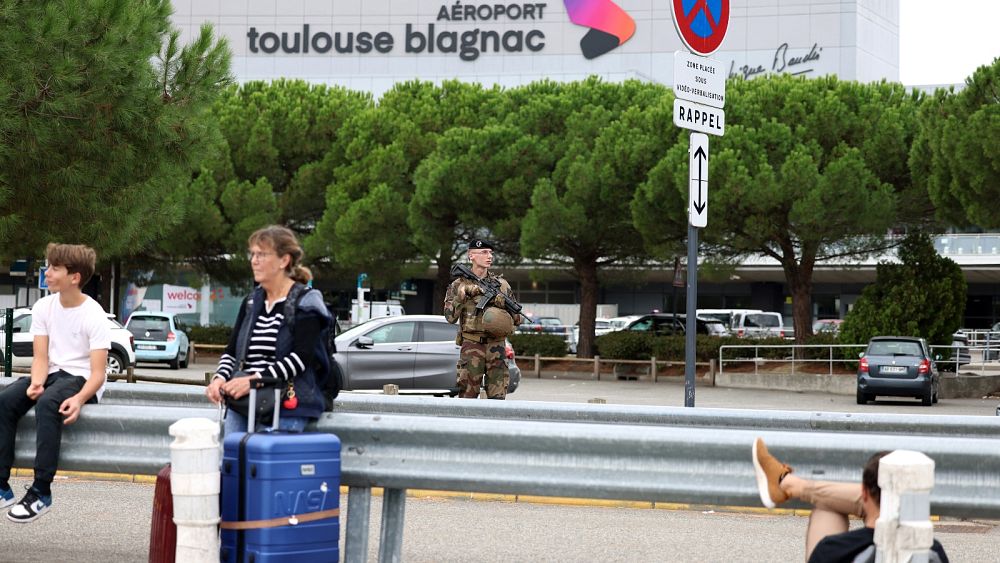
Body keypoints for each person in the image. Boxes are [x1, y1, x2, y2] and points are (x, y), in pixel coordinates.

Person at [0, 243, 111, 523]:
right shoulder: (43, 307)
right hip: (51, 375)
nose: (46, 273)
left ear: (74, 277)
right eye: (48, 266)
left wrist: (80, 398)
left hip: (81, 379)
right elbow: (40, 357)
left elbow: (98, 373)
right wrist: (36, 382)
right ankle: (2, 487)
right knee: (5, 400)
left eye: (54, 268)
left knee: (49, 403)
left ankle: (41, 492)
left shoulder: (94, 314)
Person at [205, 225, 332, 433]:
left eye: (262, 254)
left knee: (269, 463)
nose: (254, 260)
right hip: (244, 404)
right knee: (233, 462)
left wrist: (254, 381)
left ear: (284, 260)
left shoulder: (306, 302)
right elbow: (232, 352)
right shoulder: (251, 302)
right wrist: (219, 378)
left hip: (288, 404)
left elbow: (301, 357)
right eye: (253, 254)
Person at [752, 438, 949, 562]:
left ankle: (787, 484)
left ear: (864, 494)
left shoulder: (833, 550)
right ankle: (789, 484)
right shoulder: (932, 550)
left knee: (827, 507)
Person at [443, 239, 520, 399]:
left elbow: (517, 319)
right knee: (467, 397)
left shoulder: (502, 285)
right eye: (484, 252)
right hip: (471, 345)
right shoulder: (458, 285)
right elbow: (449, 317)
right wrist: (462, 296)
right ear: (471, 255)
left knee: (498, 398)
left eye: (491, 253)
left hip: (497, 346)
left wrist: (502, 306)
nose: (489, 256)